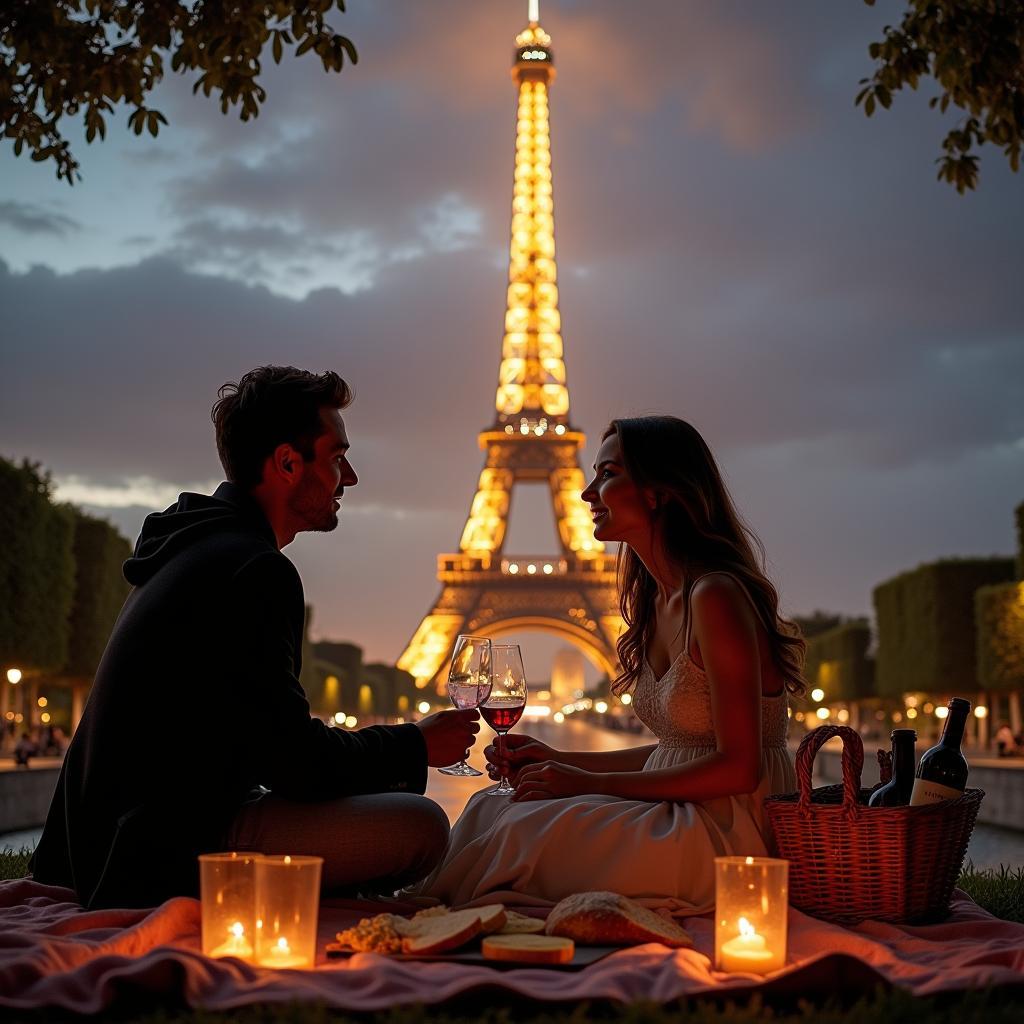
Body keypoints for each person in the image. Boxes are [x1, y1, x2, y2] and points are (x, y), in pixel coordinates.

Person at [31, 366, 479, 908]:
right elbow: (296, 762)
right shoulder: (254, 570)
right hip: (157, 851)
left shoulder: (197, 548)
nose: (352, 476)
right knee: (421, 826)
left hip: (113, 839)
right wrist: (416, 744)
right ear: (289, 463)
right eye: (337, 457)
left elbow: (263, 747)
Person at [411, 416, 804, 914]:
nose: (587, 492)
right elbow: (677, 752)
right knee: (492, 805)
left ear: (659, 492)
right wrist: (559, 760)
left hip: (729, 832)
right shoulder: (658, 601)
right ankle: (434, 922)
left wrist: (587, 782)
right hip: (687, 810)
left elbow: (738, 767)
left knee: (517, 832)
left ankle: (428, 927)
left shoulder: (716, 594)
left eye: (607, 474)